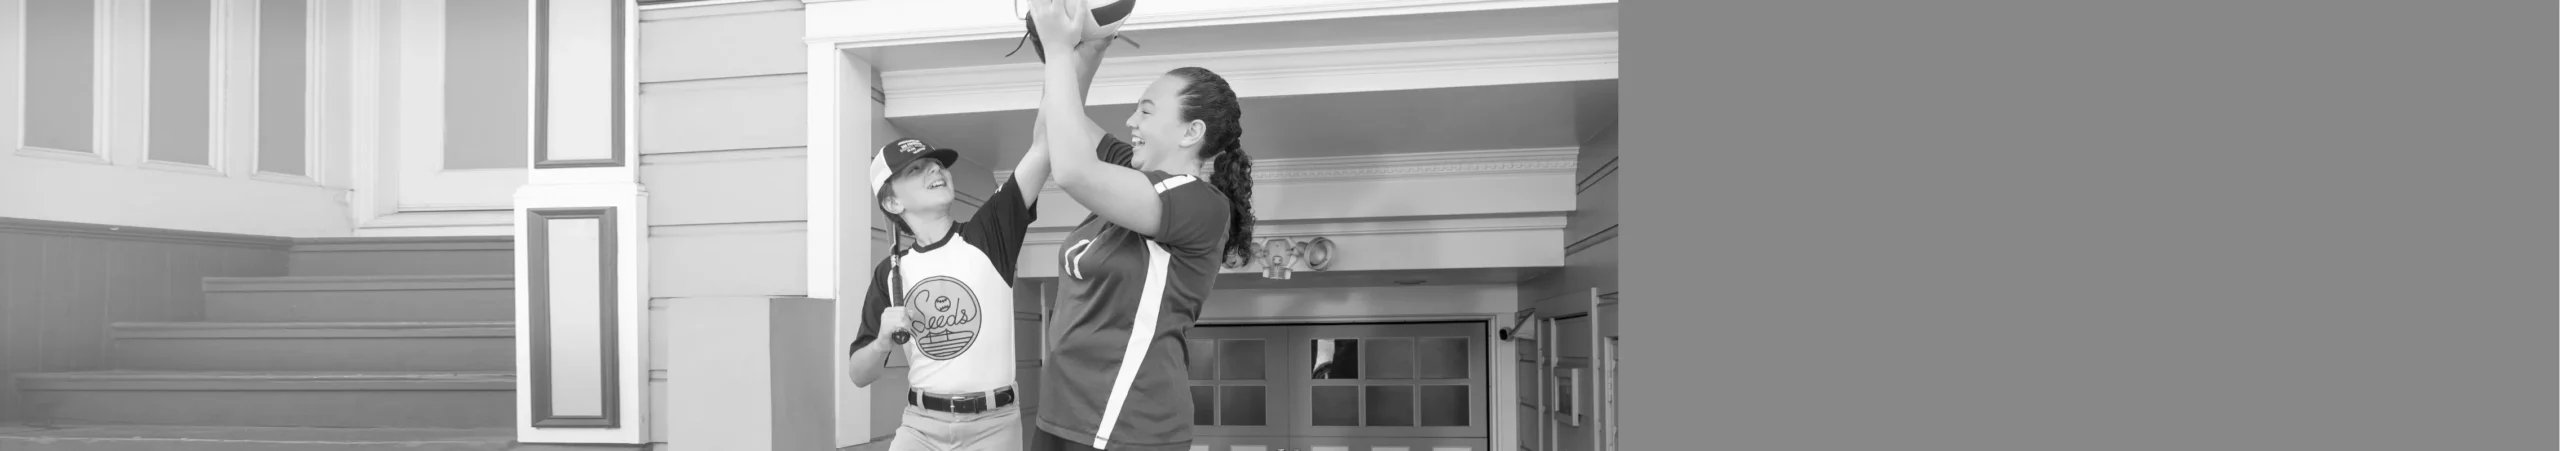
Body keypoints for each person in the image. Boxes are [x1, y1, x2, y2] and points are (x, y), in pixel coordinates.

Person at [1022, 1, 1259, 449]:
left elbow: (1072, 171)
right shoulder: (1134, 179)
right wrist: (1090, 49)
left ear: (1191, 133)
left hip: (1127, 426)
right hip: (1062, 414)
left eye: (1146, 111)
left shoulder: (1200, 204)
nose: (1131, 121)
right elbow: (1056, 130)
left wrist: (1057, 50)